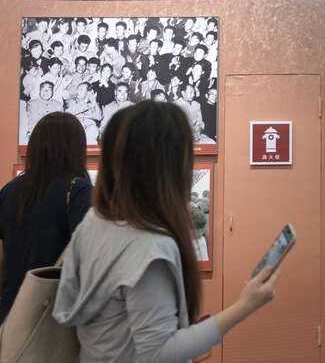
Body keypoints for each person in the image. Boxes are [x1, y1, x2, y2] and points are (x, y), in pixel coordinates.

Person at [53, 101, 283, 361]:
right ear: (169, 165)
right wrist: (246, 305)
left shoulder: (94, 221)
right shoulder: (149, 248)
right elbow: (159, 354)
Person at [0, 112, 92, 322]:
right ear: (76, 148)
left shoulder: (9, 190)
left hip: (11, 313)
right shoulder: (79, 191)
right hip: (54, 314)